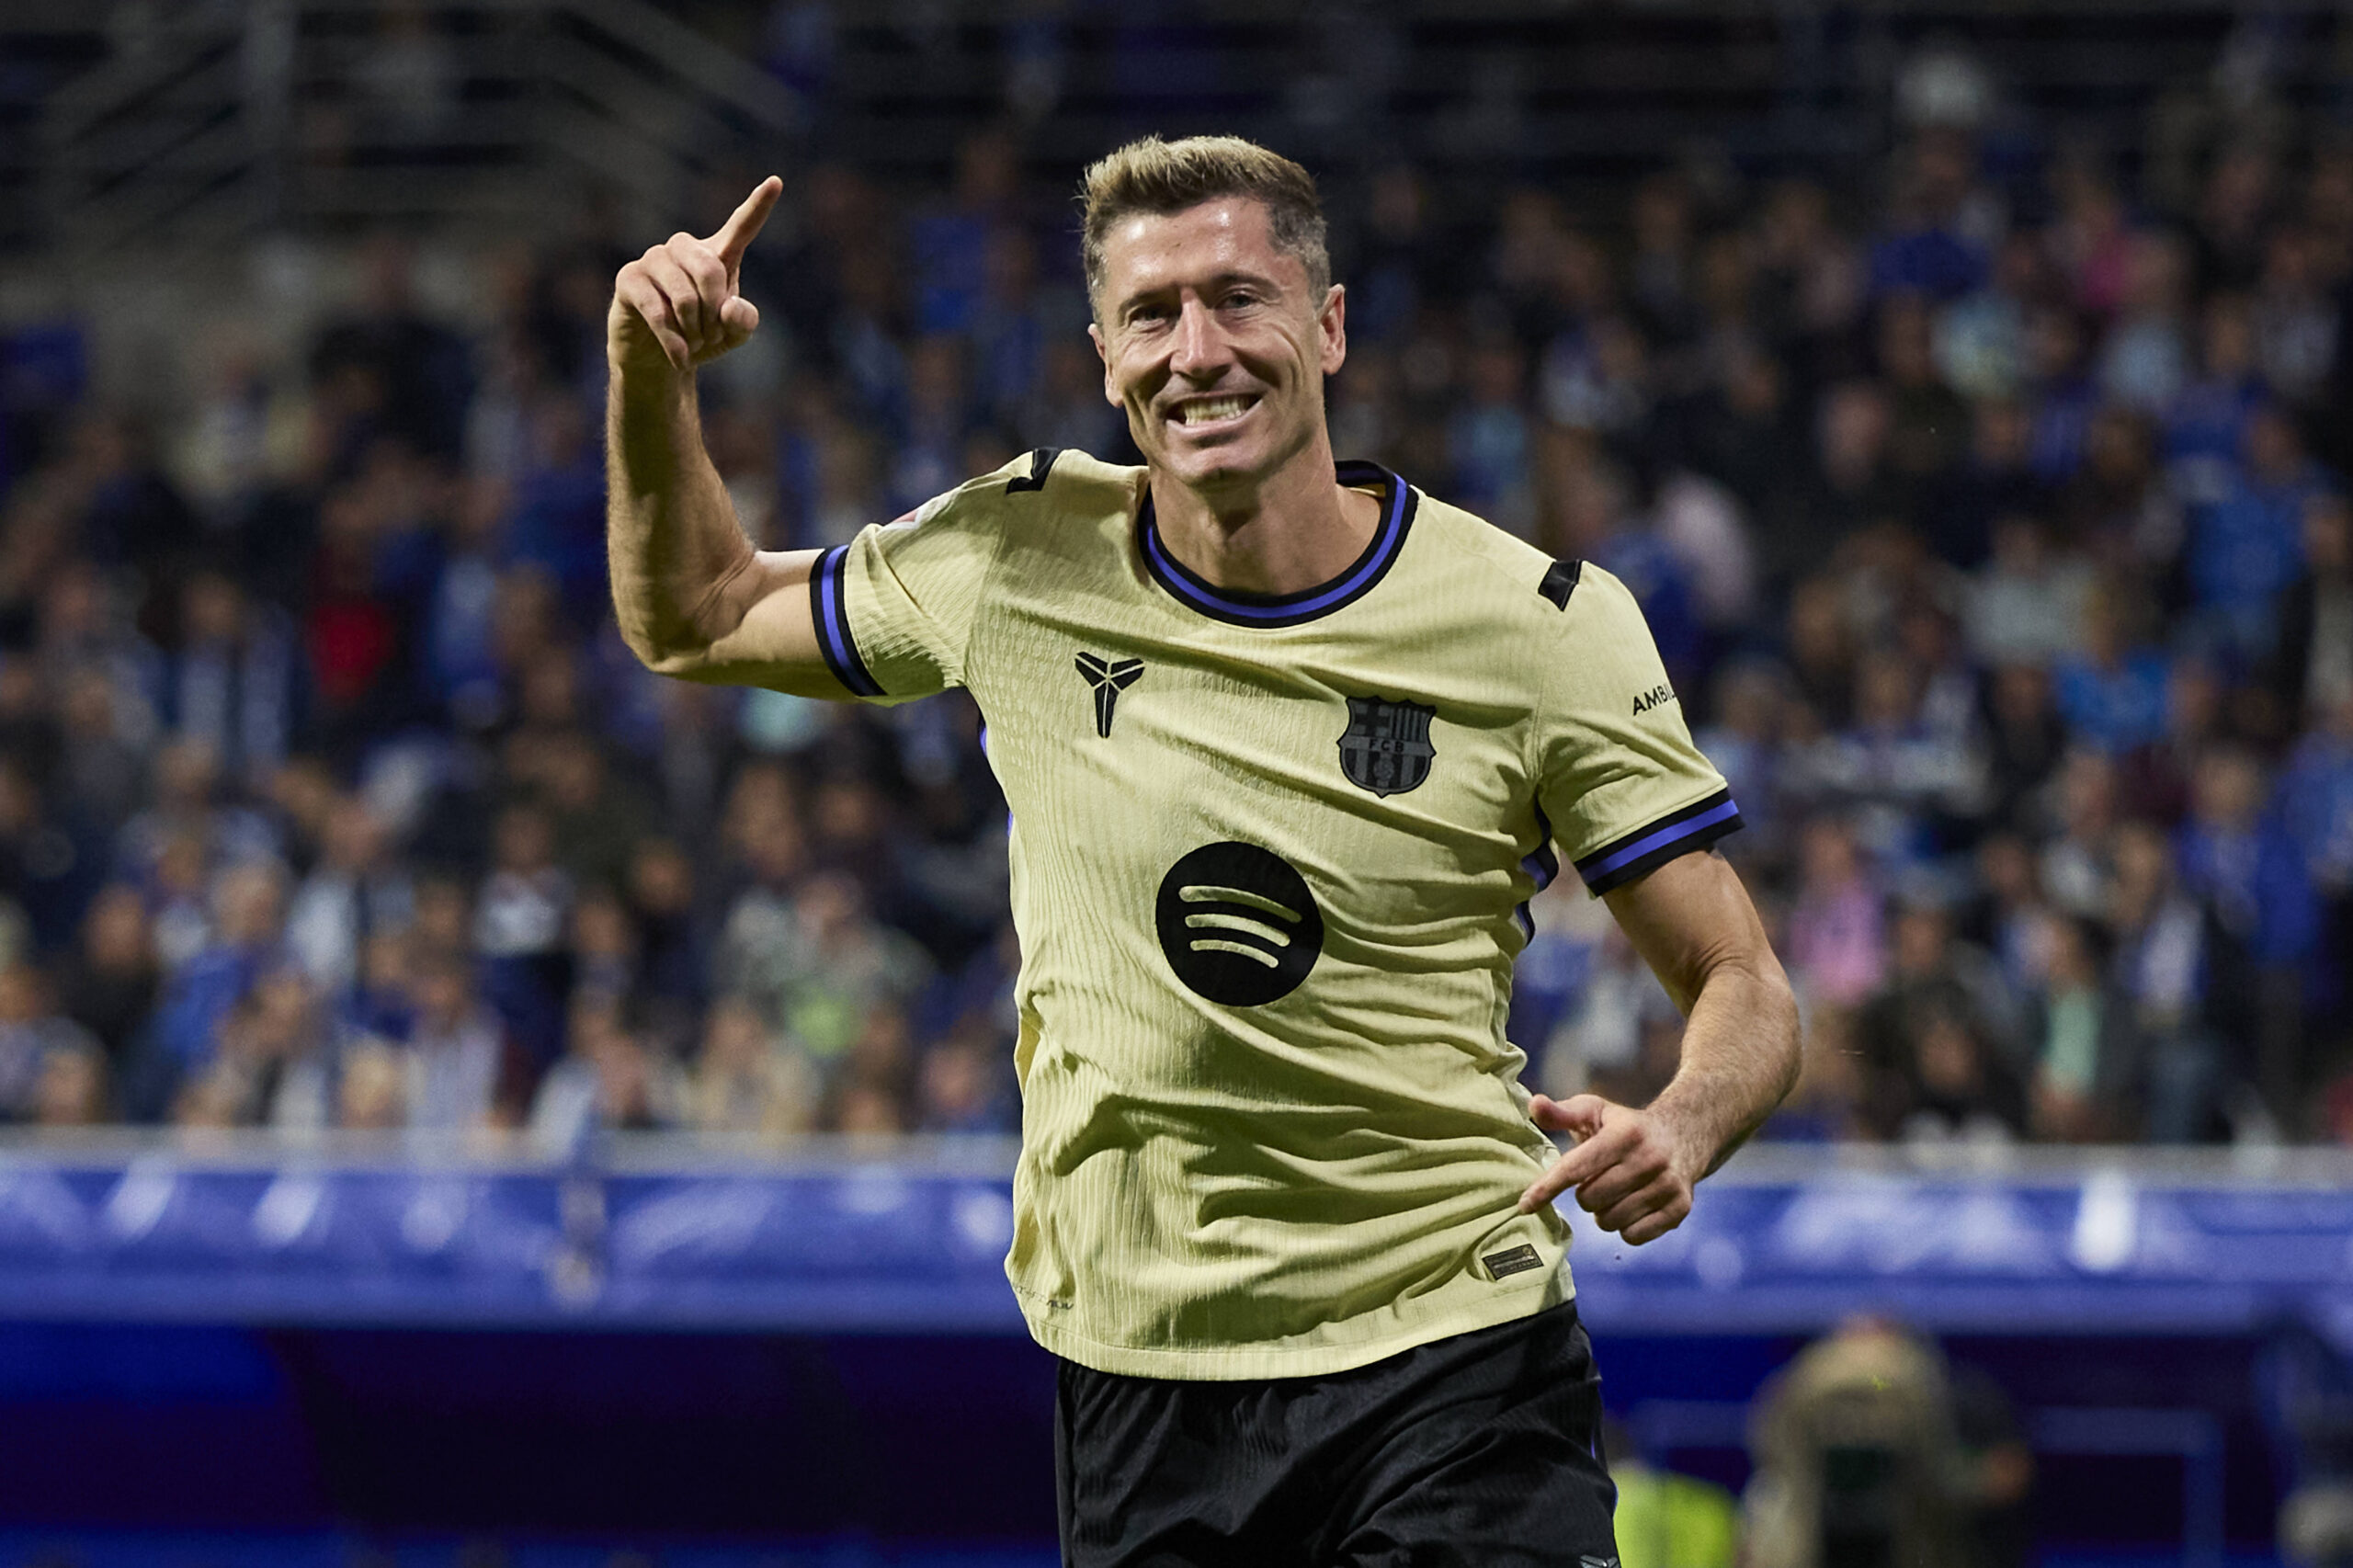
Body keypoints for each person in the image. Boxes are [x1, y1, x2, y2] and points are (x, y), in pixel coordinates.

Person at [606, 136, 1801, 1566]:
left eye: (1240, 298)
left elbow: (1742, 973)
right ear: (1104, 354)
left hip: (1453, 1352)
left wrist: (1681, 1122)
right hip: (1139, 1370)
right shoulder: (1014, 554)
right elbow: (698, 611)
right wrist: (648, 376)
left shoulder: (1540, 623)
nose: (1199, 351)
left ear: (1329, 325)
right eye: (1154, 315)